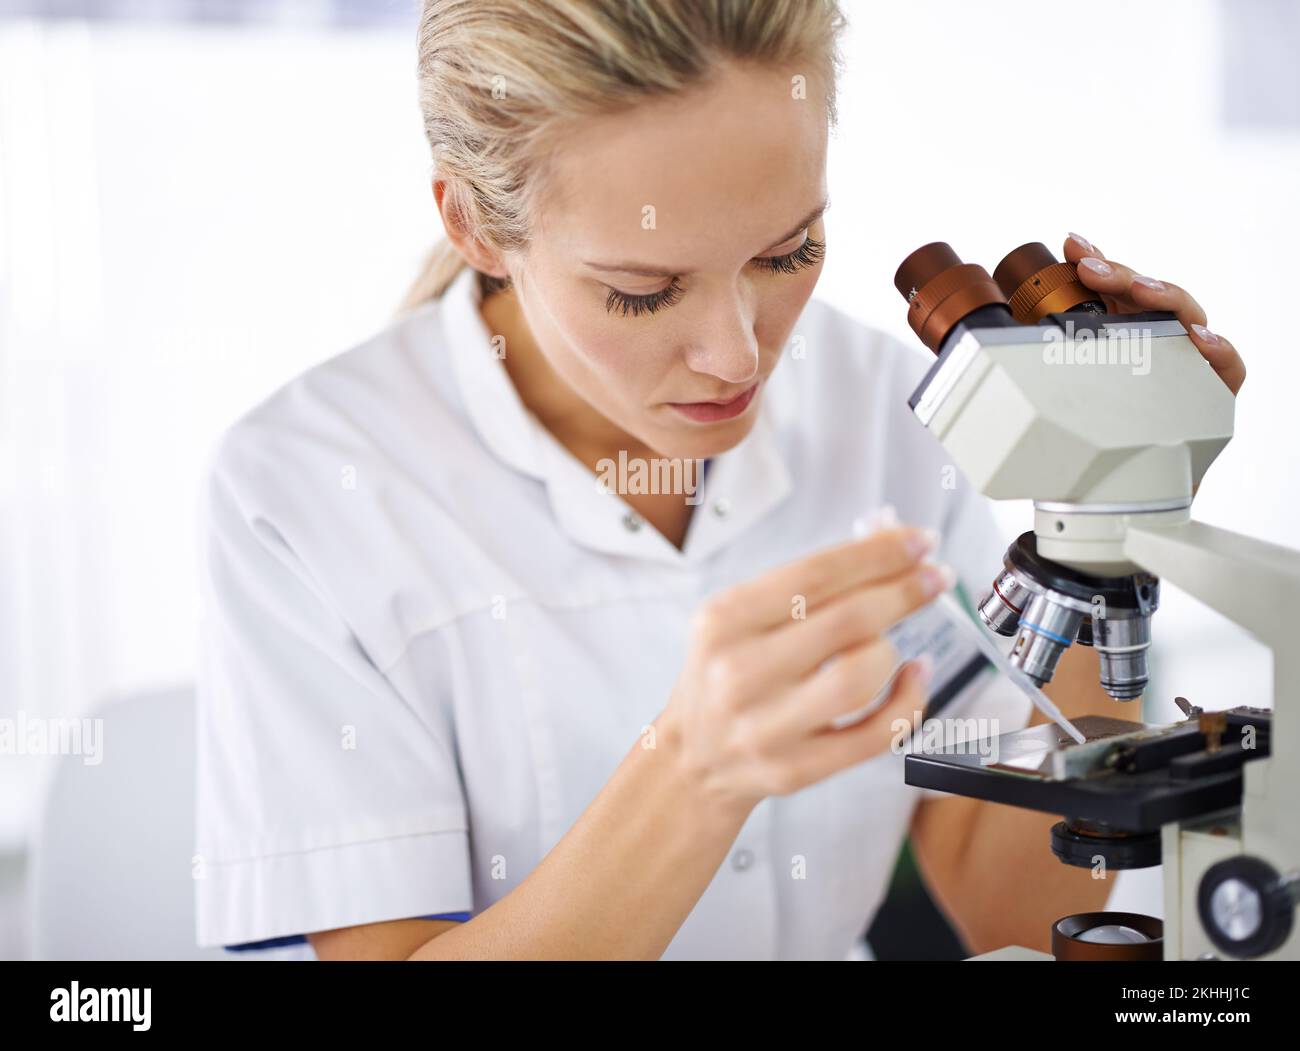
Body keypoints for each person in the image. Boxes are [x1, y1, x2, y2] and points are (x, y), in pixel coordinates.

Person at [192, 0, 1245, 961]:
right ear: (474, 225)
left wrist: (1099, 502)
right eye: (644, 293)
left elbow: (1022, 913)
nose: (741, 358)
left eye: (788, 253)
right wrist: (694, 768)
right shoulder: (300, 487)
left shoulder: (885, 401)